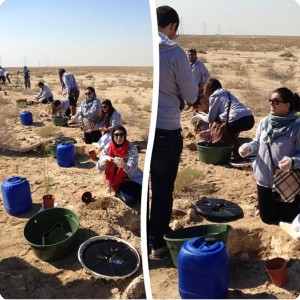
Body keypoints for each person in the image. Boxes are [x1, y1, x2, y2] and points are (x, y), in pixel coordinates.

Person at [148, 5, 199, 257]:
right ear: (173, 27)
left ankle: (145, 238)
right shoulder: (173, 52)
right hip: (166, 131)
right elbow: (191, 95)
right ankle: (157, 243)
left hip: (144, 132)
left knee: (142, 186)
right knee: (161, 188)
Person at [239, 87, 300, 224]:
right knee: (267, 219)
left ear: (287, 105)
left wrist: (292, 161)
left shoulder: (297, 127)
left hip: (286, 181)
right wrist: (248, 147)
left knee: (288, 220)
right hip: (264, 179)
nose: (272, 104)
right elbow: (257, 143)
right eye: (270, 101)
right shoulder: (264, 122)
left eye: (276, 101)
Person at [195, 78, 254, 156]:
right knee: (229, 128)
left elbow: (210, 119)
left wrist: (199, 115)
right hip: (250, 118)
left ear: (208, 89)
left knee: (221, 125)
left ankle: (230, 153)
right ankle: (239, 151)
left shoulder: (214, 96)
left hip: (237, 120)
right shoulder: (227, 93)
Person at [96, 125, 143, 204]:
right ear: (112, 136)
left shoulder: (131, 148)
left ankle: (121, 189)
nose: (119, 137)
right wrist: (103, 161)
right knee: (130, 200)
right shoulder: (108, 147)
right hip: (115, 178)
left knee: (143, 192)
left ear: (125, 136)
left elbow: (133, 167)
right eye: (116, 135)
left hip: (130, 177)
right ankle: (117, 188)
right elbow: (99, 168)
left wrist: (124, 165)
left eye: (122, 135)